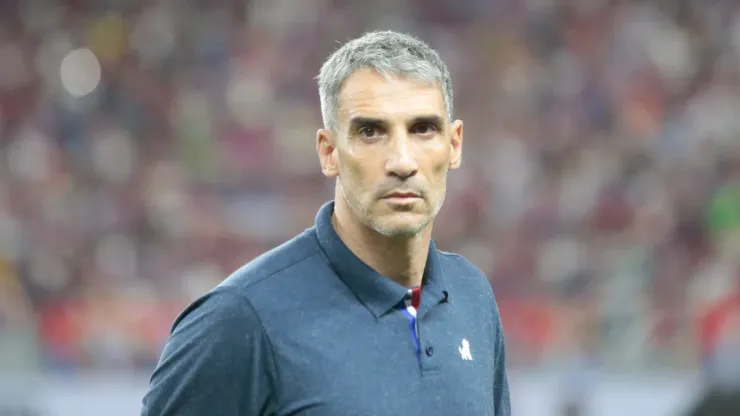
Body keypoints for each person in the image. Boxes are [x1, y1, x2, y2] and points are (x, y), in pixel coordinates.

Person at [141, 30, 510, 416]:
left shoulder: (472, 297)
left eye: (423, 129)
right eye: (371, 132)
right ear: (329, 152)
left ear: (454, 145)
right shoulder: (240, 321)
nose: (402, 161)